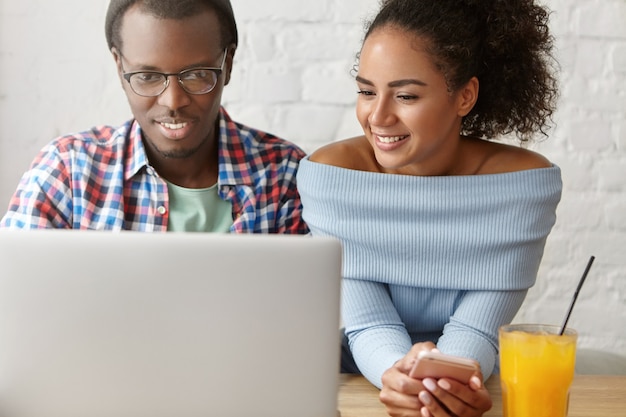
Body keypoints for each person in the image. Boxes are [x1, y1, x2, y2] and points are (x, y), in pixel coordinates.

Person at [297, 0, 562, 416]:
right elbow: (368, 324)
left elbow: (477, 328)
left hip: (465, 382)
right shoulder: (331, 177)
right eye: (366, 91)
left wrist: (447, 381)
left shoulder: (523, 189)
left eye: (405, 95)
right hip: (364, 385)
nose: (377, 116)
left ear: (465, 96)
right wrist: (400, 378)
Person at [0, 0, 308, 234]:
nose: (173, 101)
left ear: (228, 63)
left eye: (198, 75)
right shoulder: (66, 172)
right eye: (147, 76)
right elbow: (13, 304)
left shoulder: (284, 177)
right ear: (120, 67)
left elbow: (309, 311)